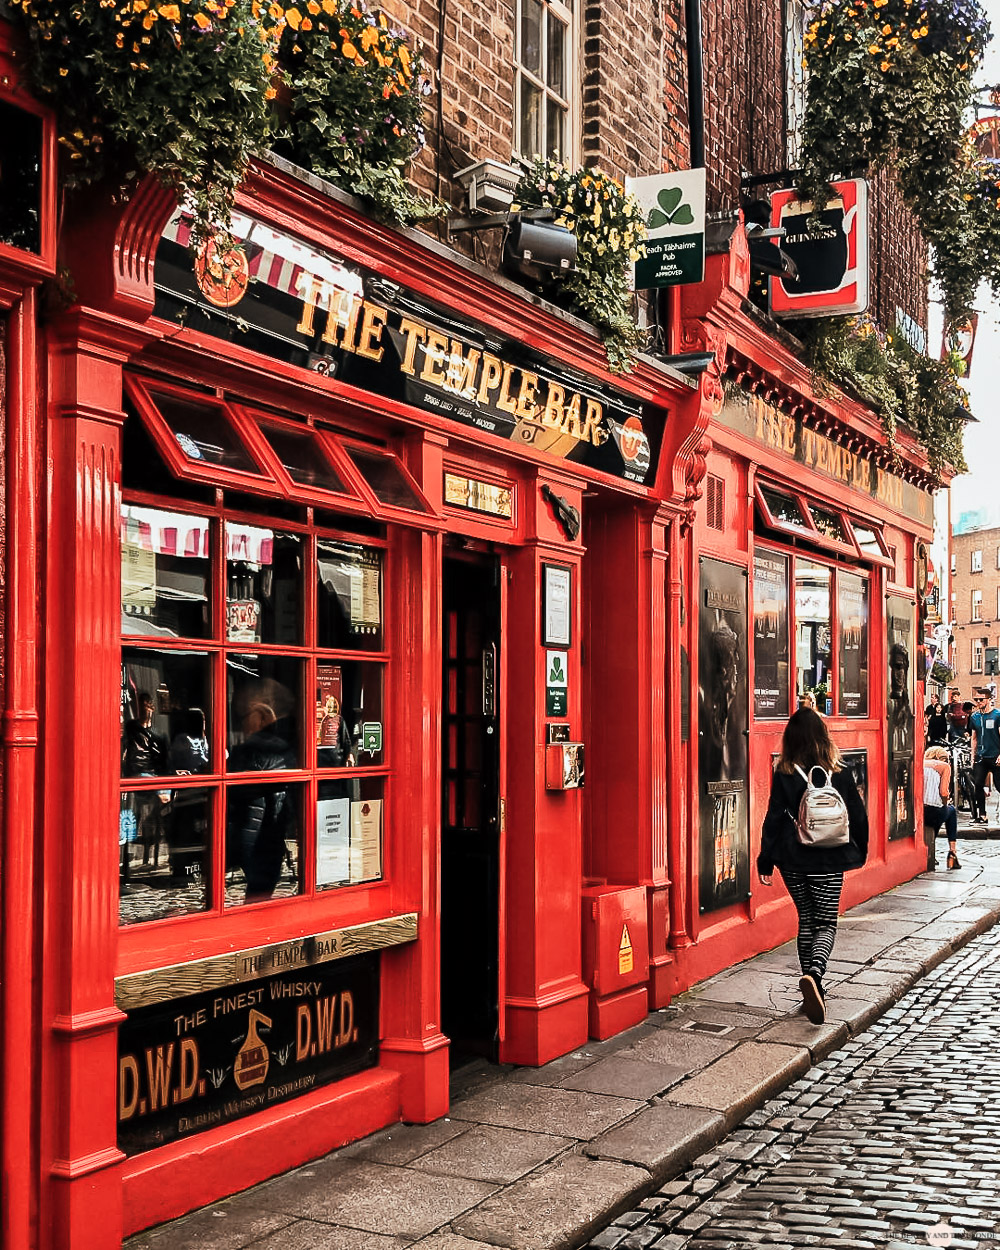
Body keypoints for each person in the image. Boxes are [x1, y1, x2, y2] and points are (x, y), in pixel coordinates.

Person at [757, 708, 869, 1025]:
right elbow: (857, 815)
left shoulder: (786, 773)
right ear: (822, 734)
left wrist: (765, 859)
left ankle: (811, 987)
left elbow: (774, 818)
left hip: (793, 858)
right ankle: (815, 976)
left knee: (805, 919)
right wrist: (861, 849)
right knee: (826, 923)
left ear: (790, 739)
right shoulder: (840, 769)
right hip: (830, 857)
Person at [226, 702, 297, 902]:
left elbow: (234, 789)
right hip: (275, 827)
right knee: (264, 884)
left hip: (249, 827)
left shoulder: (247, 750)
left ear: (259, 722)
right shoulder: (285, 752)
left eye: (249, 719)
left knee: (256, 885)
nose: (244, 724)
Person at [923, 745, 961, 869]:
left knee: (938, 813)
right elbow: (944, 792)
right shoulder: (944, 767)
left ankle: (930, 853)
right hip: (934, 811)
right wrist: (945, 802)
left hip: (920, 810)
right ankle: (952, 852)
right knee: (950, 811)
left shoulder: (920, 763)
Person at [969, 688, 1000, 827]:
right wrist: (972, 756)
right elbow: (974, 738)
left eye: (981, 699)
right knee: (978, 785)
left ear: (988, 699)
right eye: (976, 699)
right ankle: (982, 815)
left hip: (995, 756)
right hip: (981, 757)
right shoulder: (974, 717)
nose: (978, 702)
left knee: (999, 786)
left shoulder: (997, 715)